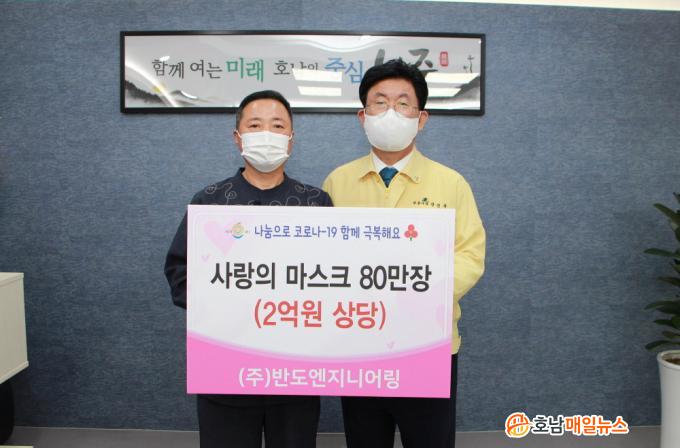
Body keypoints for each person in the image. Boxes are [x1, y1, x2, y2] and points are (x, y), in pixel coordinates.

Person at [322, 59, 486, 448]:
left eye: (403, 103)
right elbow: (321, 258)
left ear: (421, 118)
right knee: (365, 439)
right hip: (358, 343)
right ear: (362, 116)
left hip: (427, 344)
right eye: (379, 103)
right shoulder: (337, 182)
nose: (390, 113)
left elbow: (470, 255)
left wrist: (420, 295)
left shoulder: (451, 183)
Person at [164, 90, 331, 448]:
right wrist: (223, 305)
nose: (267, 134)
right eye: (255, 125)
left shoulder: (315, 203)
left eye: (278, 126)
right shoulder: (210, 202)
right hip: (226, 370)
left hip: (294, 371)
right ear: (238, 137)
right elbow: (179, 271)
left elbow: (335, 278)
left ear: (291, 138)